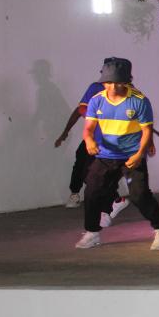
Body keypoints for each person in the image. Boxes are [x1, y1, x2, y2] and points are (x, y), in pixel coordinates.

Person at [75, 58, 159, 250]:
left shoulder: (139, 101)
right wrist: (90, 140)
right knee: (92, 191)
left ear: (126, 81)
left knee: (139, 195)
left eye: (117, 82)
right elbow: (88, 129)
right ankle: (92, 233)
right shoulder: (97, 100)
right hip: (105, 154)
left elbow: (146, 131)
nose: (111, 87)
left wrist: (139, 155)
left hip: (131, 155)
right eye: (108, 82)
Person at [54, 59, 131, 224]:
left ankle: (110, 205)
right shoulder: (96, 88)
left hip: (109, 142)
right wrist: (66, 132)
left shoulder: (127, 91)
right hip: (95, 139)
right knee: (87, 169)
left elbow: (135, 113)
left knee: (98, 175)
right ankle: (103, 206)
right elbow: (80, 109)